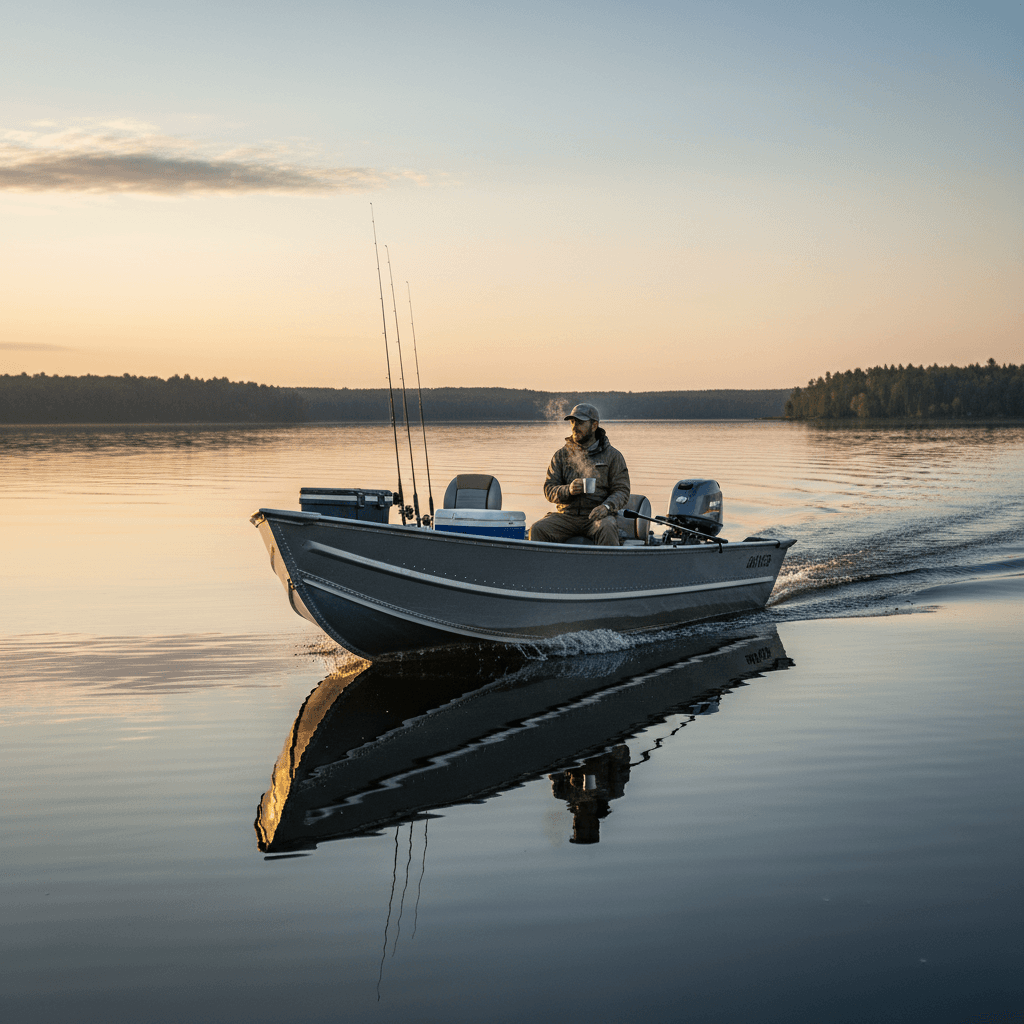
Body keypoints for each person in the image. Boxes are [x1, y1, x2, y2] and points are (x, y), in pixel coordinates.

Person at [529, 403, 630, 545]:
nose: (574, 427)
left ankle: (609, 566)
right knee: (538, 529)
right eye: (572, 422)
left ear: (594, 425)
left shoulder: (613, 456)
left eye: (580, 422)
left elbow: (622, 490)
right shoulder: (561, 455)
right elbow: (549, 489)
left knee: (607, 527)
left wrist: (606, 507)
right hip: (567, 517)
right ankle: (543, 567)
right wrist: (567, 490)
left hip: (597, 517)